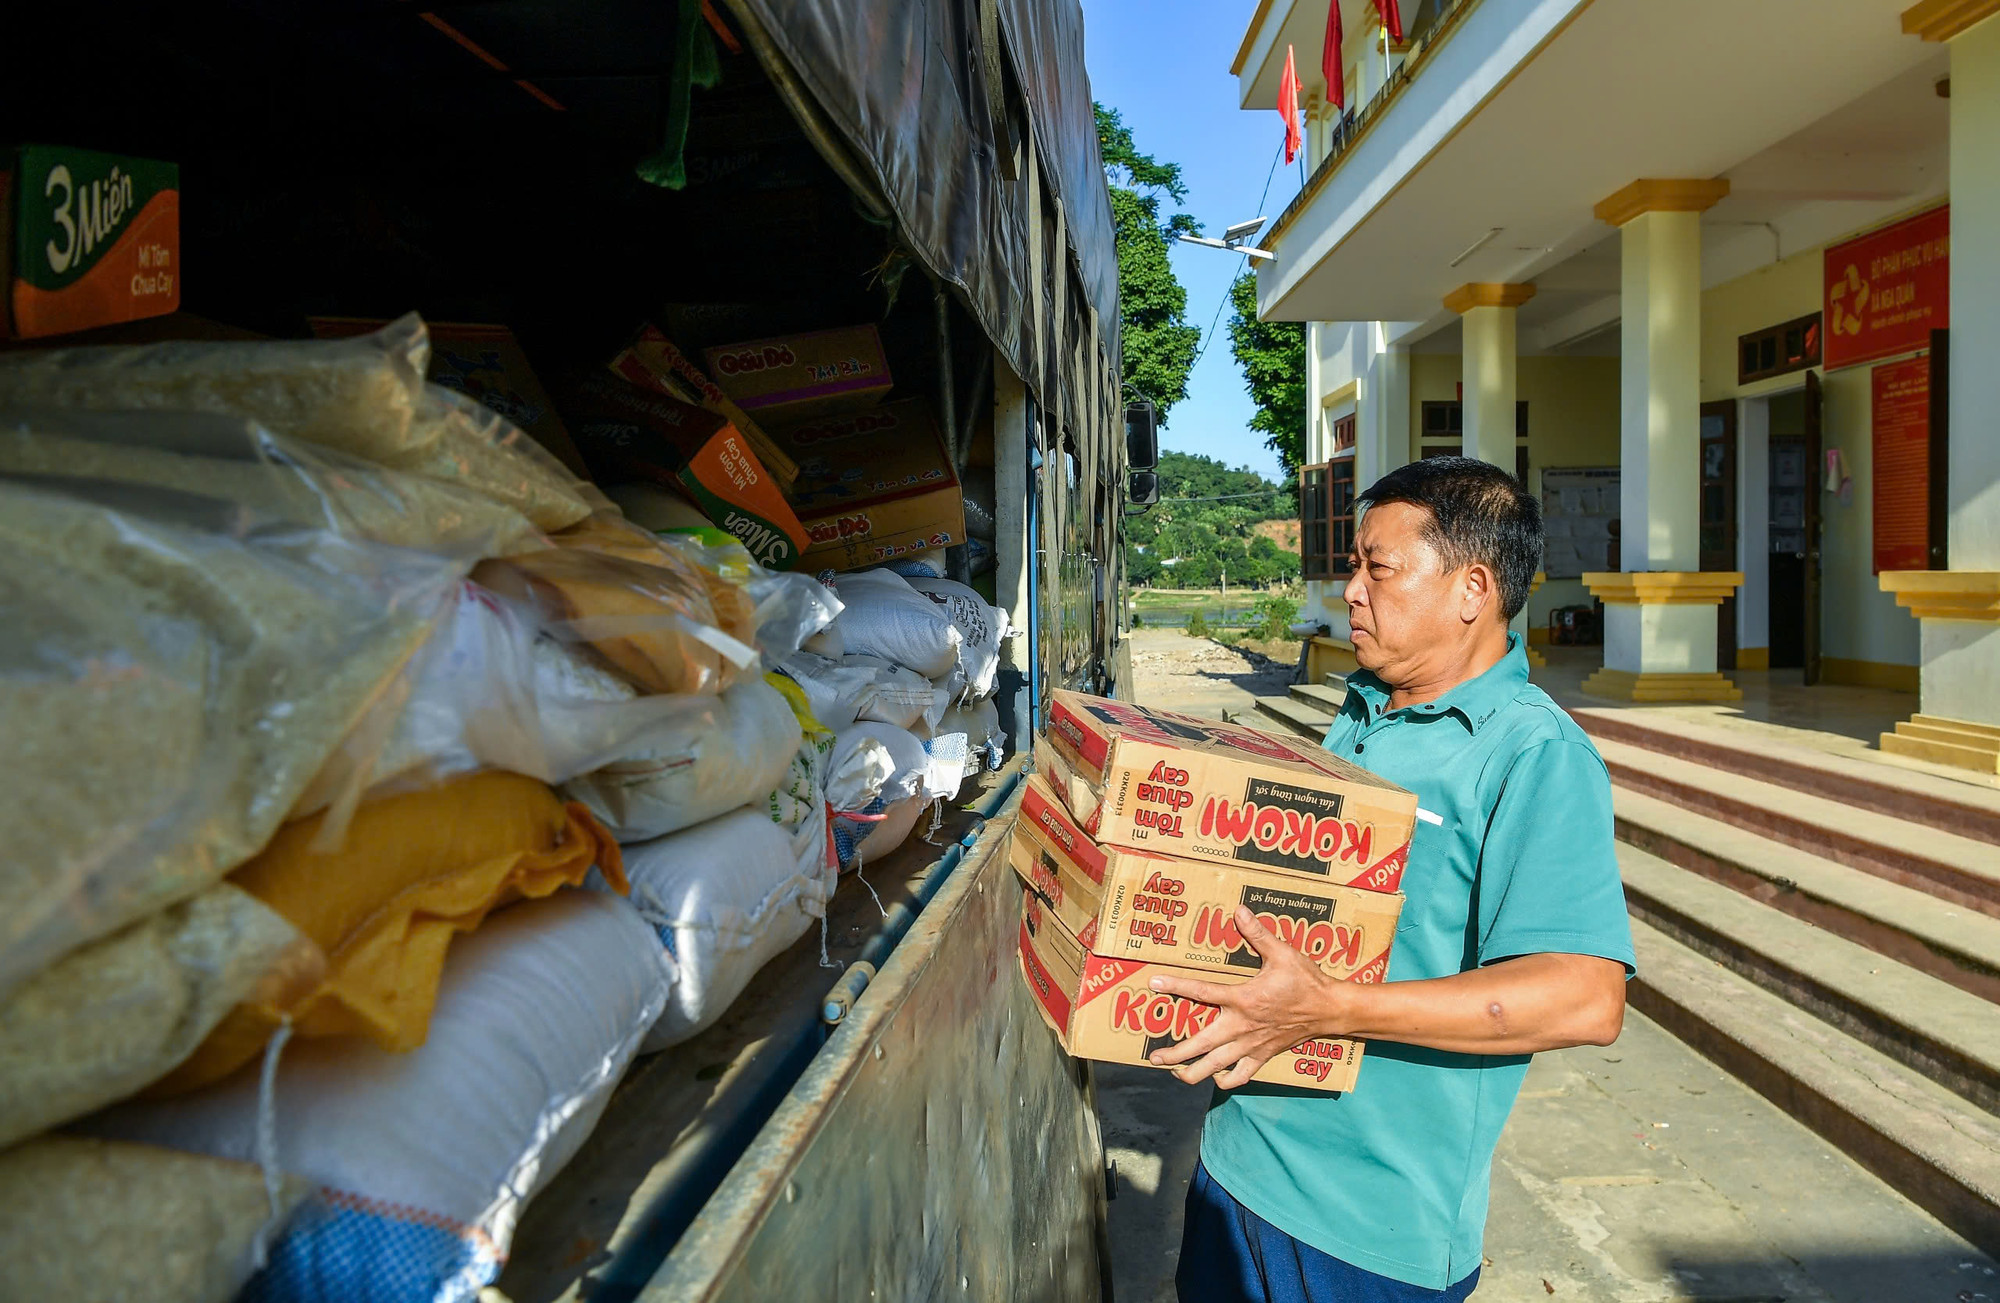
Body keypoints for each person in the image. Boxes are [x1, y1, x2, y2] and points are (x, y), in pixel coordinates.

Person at [1156, 456, 1635, 1302]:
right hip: (1238, 1163)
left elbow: (1584, 997)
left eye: (1379, 568)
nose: (1353, 591)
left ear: (1472, 589)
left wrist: (1333, 1008)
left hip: (1366, 1232)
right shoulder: (1363, 708)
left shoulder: (1533, 754)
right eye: (1353, 566)